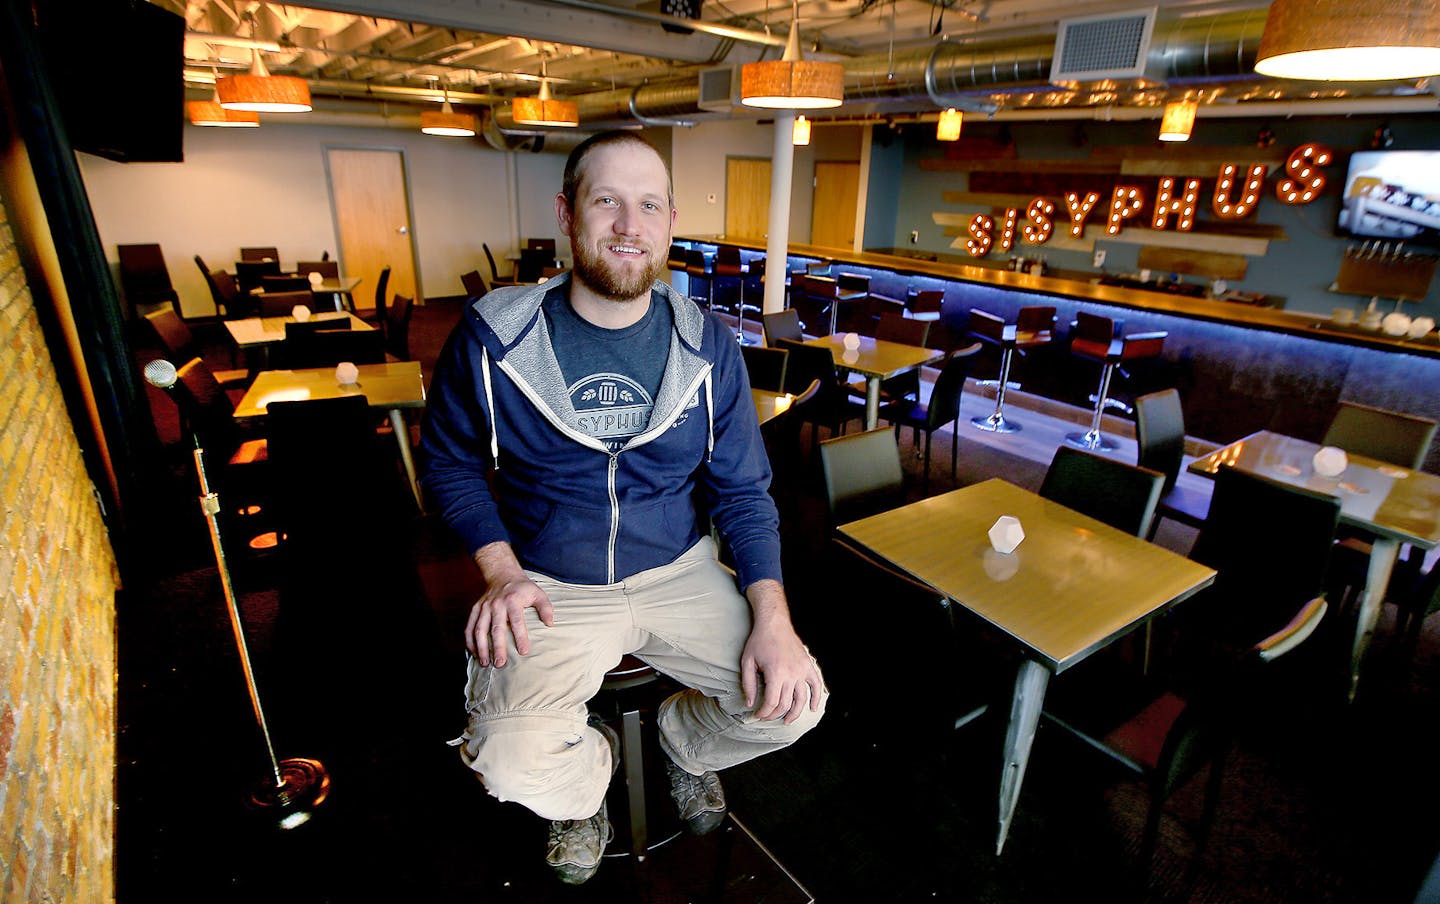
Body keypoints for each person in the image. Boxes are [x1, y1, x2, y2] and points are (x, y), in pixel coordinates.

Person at [419, 130, 827, 885]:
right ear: (568, 213)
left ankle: (682, 742)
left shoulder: (709, 346)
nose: (627, 225)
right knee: (508, 762)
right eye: (606, 200)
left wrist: (774, 616)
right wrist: (501, 570)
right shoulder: (493, 336)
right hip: (549, 582)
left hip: (678, 569)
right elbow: (448, 461)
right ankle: (584, 790)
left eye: (647, 206)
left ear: (670, 221)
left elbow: (743, 491)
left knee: (796, 701)